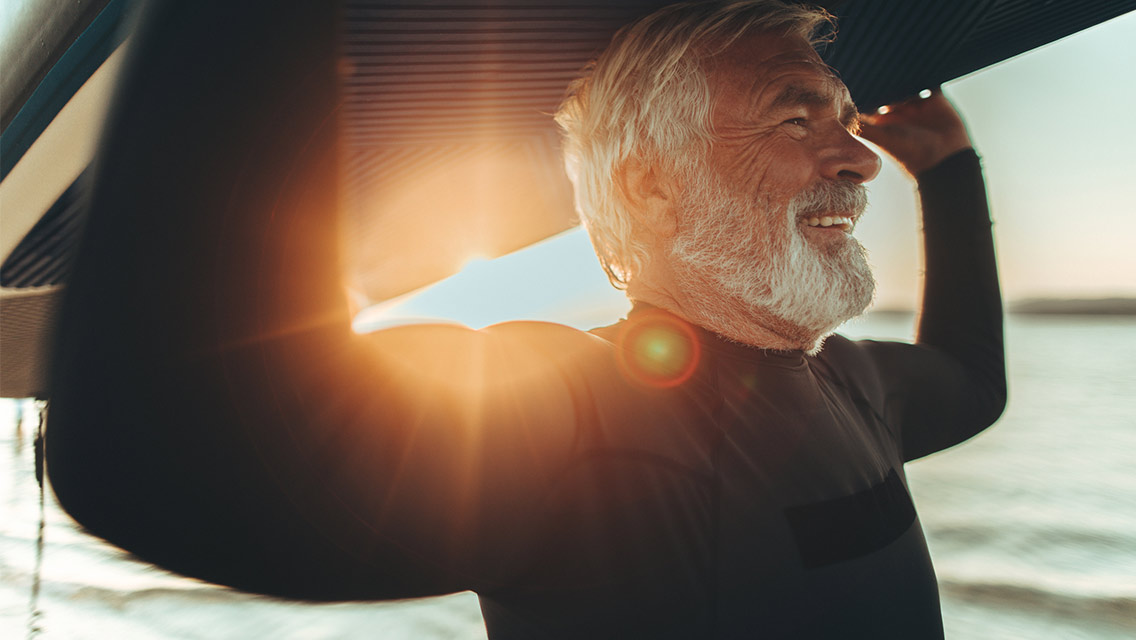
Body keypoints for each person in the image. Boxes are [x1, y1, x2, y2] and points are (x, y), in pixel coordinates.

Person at [46, 1, 1005, 638]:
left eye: (844, 117)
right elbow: (167, 458)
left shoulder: (853, 384)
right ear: (649, 185)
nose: (858, 158)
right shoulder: (570, 412)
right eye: (796, 120)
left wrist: (952, 174)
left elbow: (972, 380)